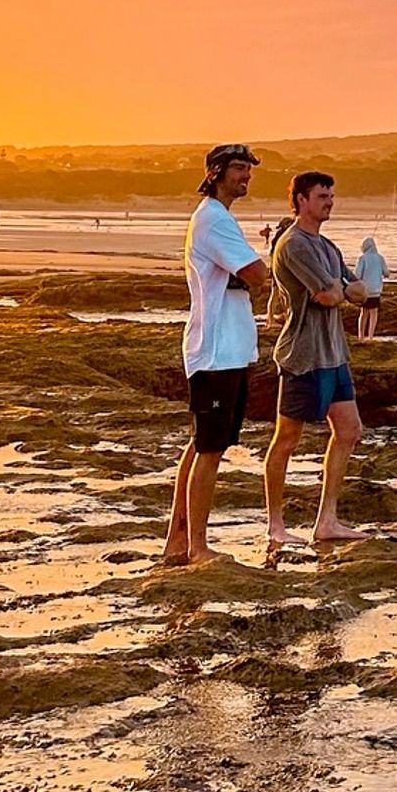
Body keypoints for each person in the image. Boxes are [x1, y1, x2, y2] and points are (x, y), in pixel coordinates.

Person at [162, 144, 268, 566]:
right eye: (238, 168)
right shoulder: (214, 220)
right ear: (215, 173)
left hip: (226, 349)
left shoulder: (218, 218)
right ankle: (198, 546)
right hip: (216, 351)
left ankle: (178, 541)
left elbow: (246, 274)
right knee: (210, 449)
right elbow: (257, 274)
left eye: (248, 169)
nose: (246, 175)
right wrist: (254, 274)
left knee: (202, 444)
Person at [260, 172, 370, 551]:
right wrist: (340, 290)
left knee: (349, 431)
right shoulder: (293, 244)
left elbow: (360, 292)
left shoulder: (327, 247)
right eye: (322, 196)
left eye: (331, 196)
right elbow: (329, 295)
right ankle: (275, 525)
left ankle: (327, 521)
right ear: (300, 200)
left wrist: (341, 288)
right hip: (303, 356)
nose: (329, 202)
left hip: (335, 354)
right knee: (286, 439)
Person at [353, 235, 386, 339]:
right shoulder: (380, 258)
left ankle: (361, 336)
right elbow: (387, 273)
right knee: (373, 313)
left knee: (363, 312)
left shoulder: (362, 258)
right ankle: (371, 336)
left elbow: (357, 275)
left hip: (365, 290)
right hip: (376, 290)